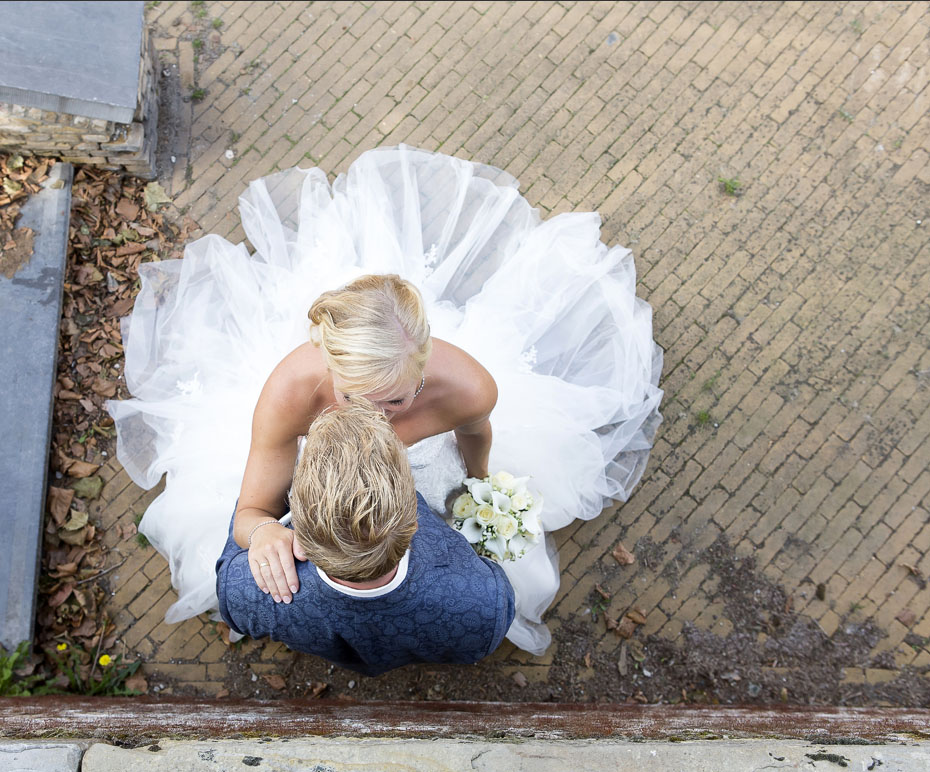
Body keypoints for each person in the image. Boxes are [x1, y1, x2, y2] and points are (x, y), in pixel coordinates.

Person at [109, 144, 663, 655]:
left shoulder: (471, 388)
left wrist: (480, 483)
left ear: (422, 369)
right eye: (354, 398)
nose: (372, 419)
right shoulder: (290, 393)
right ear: (330, 367)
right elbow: (251, 511)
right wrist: (268, 532)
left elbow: (476, 434)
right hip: (327, 494)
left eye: (395, 401)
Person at [215, 399, 515, 676]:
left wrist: (260, 528)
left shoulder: (243, 590)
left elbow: (236, 545)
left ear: (301, 530)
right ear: (413, 521)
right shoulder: (485, 603)